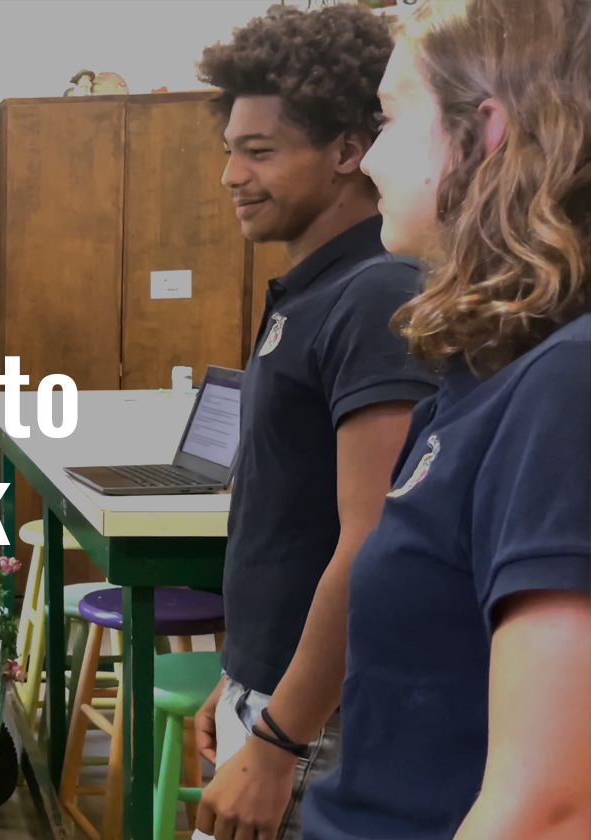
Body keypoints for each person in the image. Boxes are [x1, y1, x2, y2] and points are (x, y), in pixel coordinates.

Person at [298, 0, 591, 837]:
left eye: (388, 121)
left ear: (486, 130)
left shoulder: (566, 388)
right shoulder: (482, 380)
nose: (369, 161)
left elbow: (549, 808)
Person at [189, 6, 442, 838]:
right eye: (230, 149)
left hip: (316, 729)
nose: (231, 174)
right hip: (276, 697)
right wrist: (242, 675)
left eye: (259, 152)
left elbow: (370, 540)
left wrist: (276, 738)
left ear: (346, 152)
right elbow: (292, 524)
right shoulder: (316, 290)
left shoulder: (373, 294)